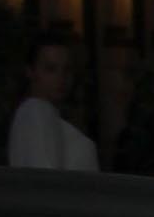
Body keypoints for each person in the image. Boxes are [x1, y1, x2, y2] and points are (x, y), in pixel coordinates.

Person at [7, 29, 97, 171]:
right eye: (50, 69)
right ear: (30, 72)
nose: (61, 78)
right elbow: (44, 174)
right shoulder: (36, 110)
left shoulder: (40, 113)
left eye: (67, 70)